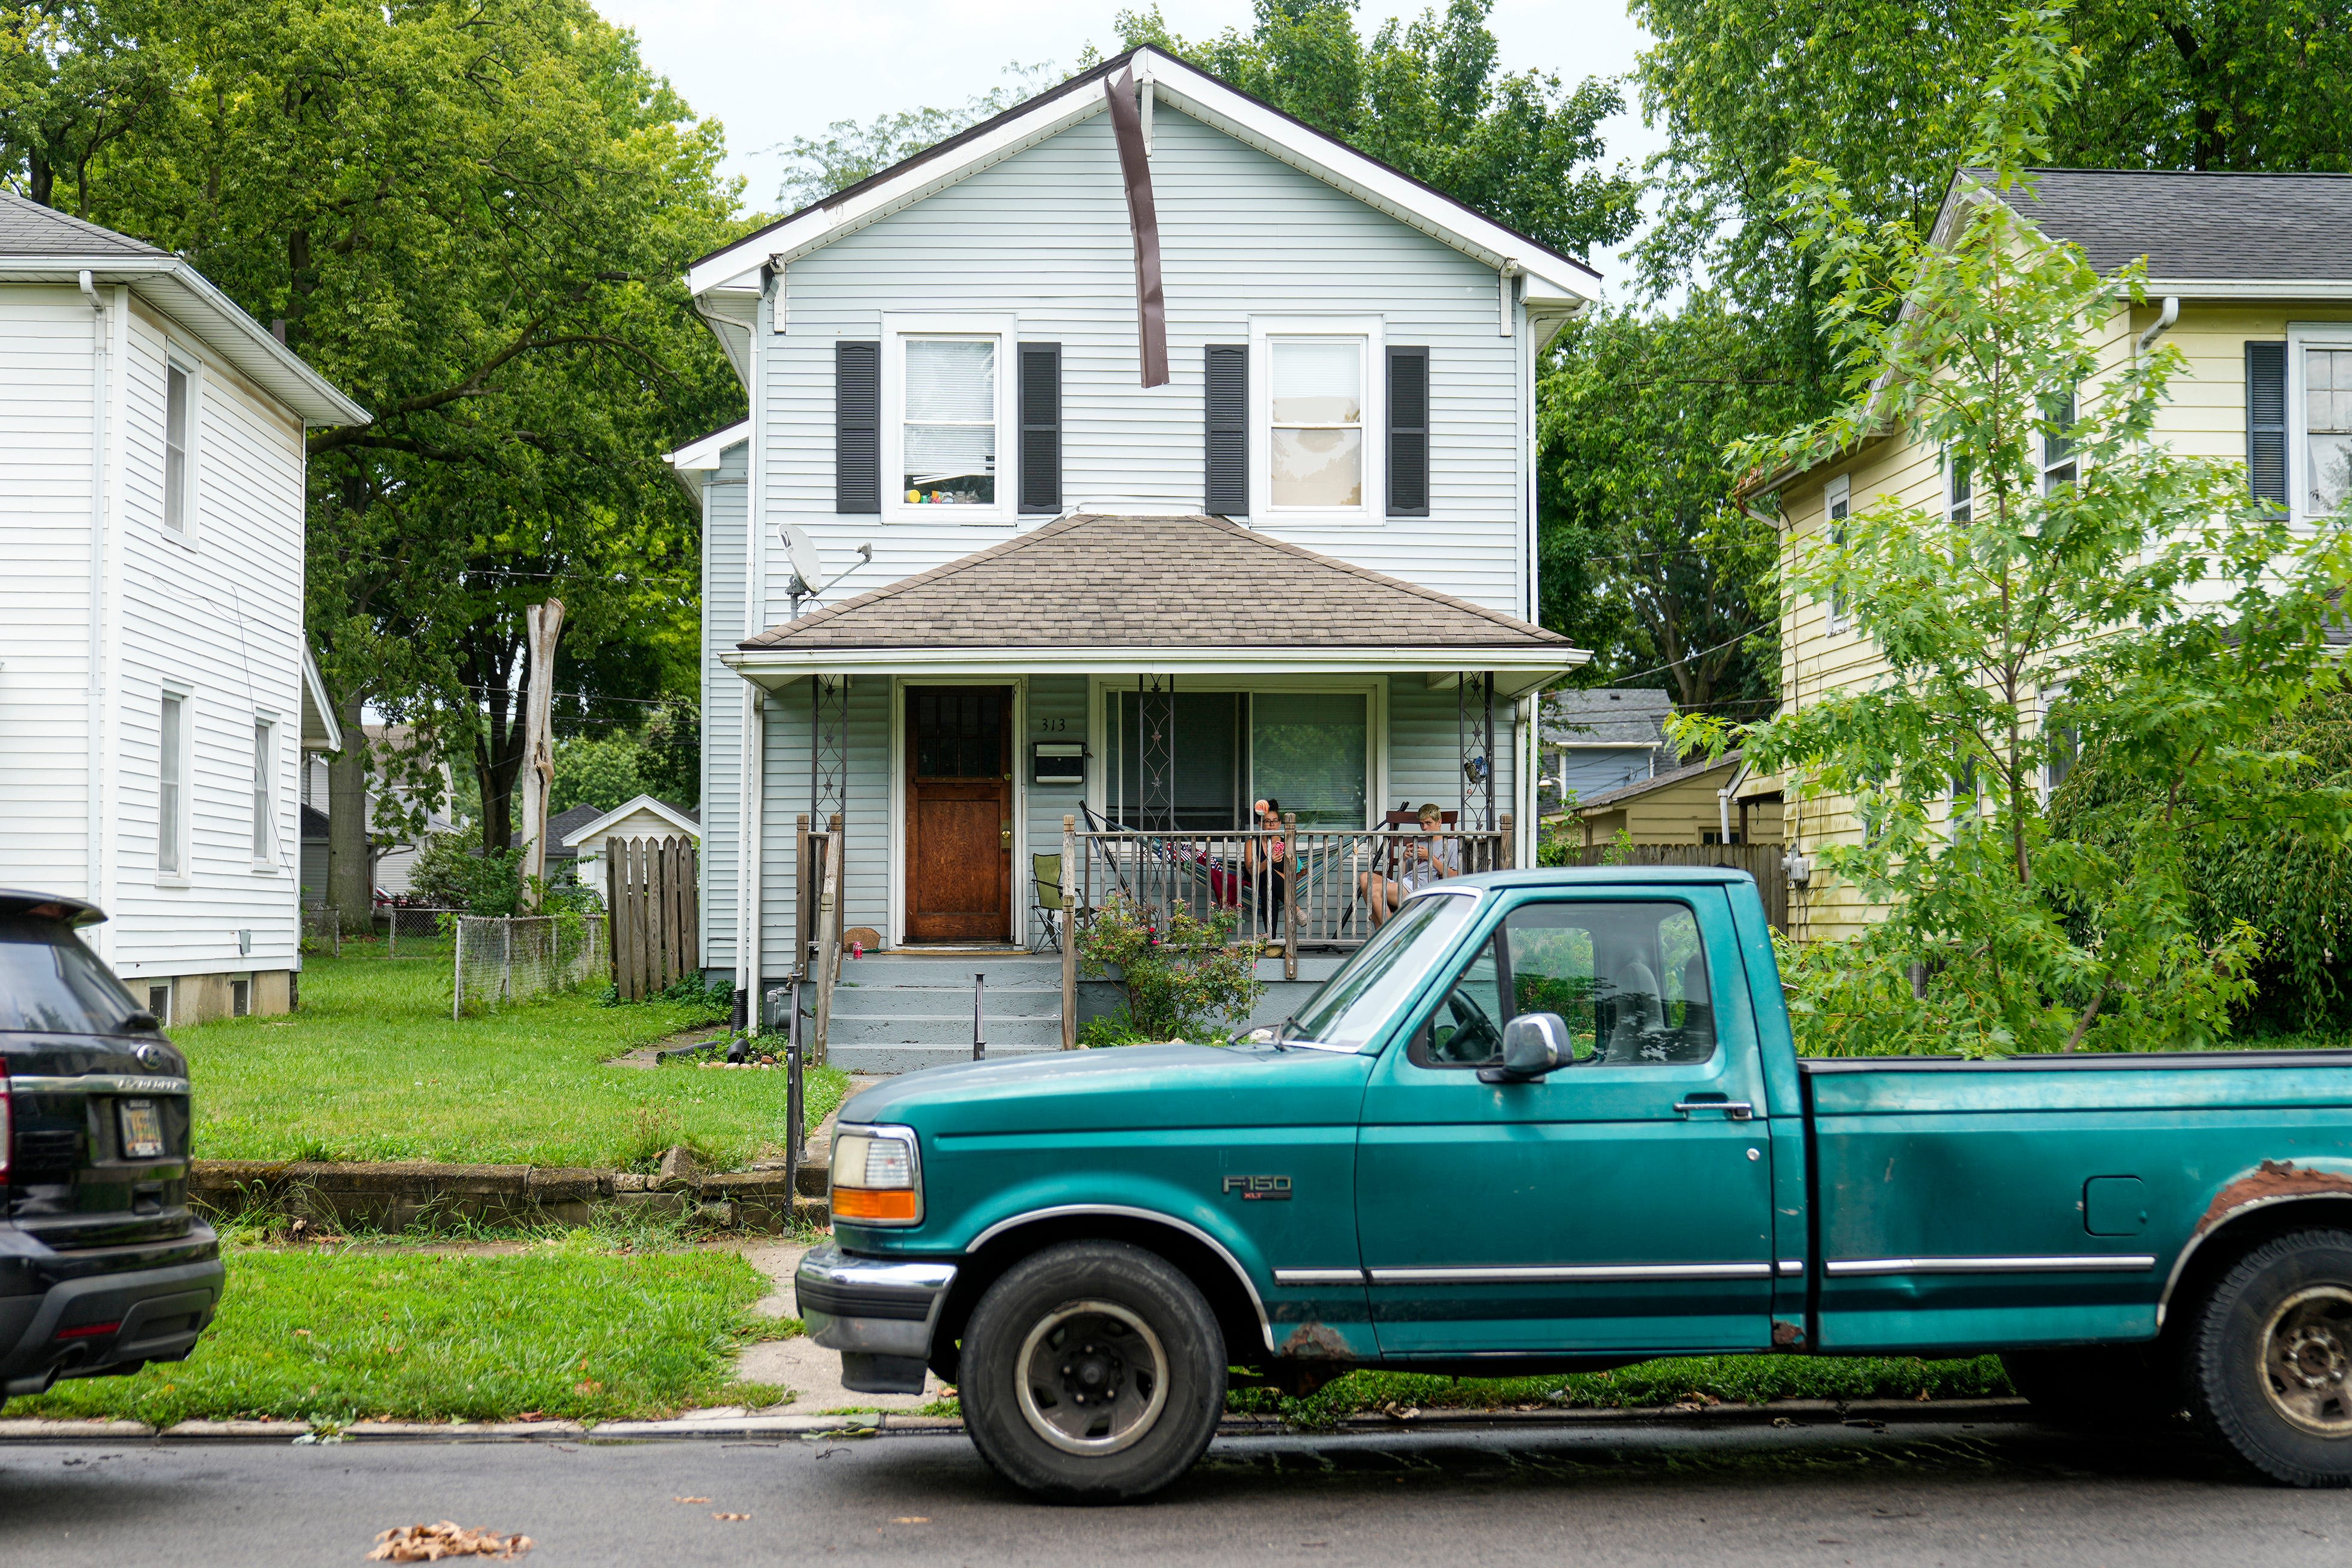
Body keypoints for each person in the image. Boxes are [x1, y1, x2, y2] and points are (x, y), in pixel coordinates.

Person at [1358, 803, 1458, 928]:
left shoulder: (1452, 844)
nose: (1424, 828)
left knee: (1375, 890)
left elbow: (1455, 876)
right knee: (1365, 877)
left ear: (1439, 822)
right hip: (1409, 885)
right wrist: (1404, 859)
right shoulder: (1419, 844)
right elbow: (1404, 878)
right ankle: (1382, 933)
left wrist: (1429, 857)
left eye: (1428, 823)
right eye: (1422, 824)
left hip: (1423, 888)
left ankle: (1391, 935)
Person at [1244, 797, 1289, 938]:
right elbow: (1252, 872)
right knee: (1264, 878)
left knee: (1267, 888)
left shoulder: (1287, 844)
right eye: (1267, 821)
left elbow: (1291, 875)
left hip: (1278, 887)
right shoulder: (1251, 843)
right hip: (1255, 883)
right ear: (1260, 824)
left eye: (1275, 821)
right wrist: (1269, 860)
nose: (1271, 825)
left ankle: (1271, 939)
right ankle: (1296, 909)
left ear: (1280, 823)